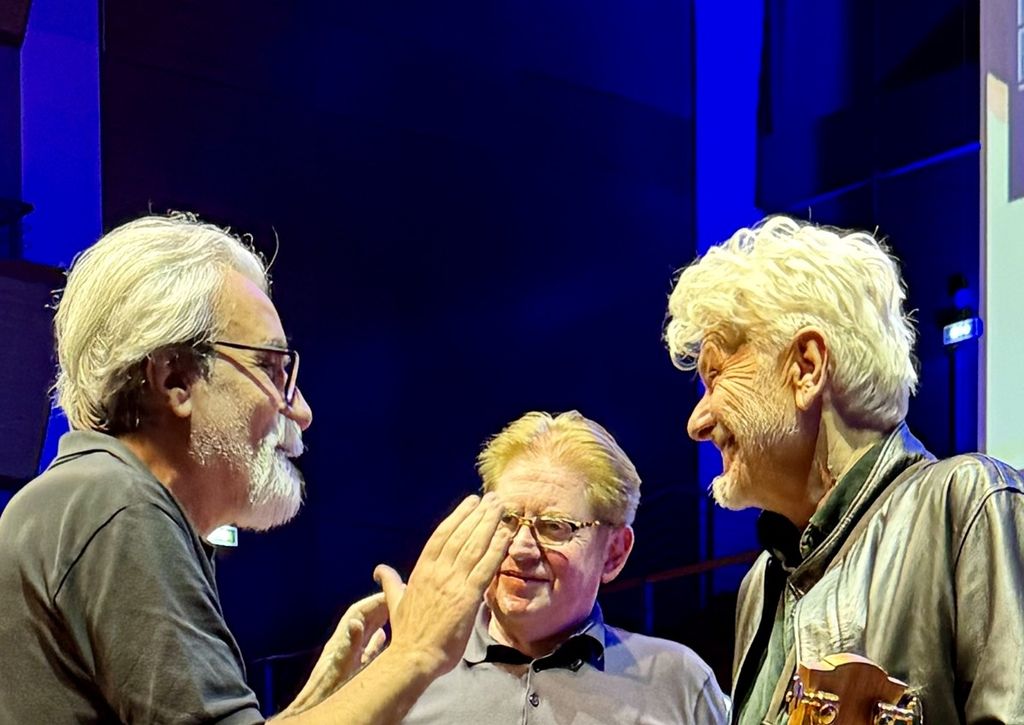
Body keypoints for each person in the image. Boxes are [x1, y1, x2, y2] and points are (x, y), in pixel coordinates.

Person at [0, 213, 513, 724]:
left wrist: (315, 706)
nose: (302, 411)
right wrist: (417, 653)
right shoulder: (120, 508)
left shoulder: (90, 497)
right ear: (175, 379)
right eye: (270, 368)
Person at [664, 215, 1024, 724]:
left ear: (806, 368)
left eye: (716, 376)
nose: (697, 423)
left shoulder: (967, 506)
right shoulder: (760, 584)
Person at [402, 410, 729, 724]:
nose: (520, 548)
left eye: (554, 526)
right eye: (506, 519)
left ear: (614, 552)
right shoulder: (407, 675)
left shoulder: (678, 685)